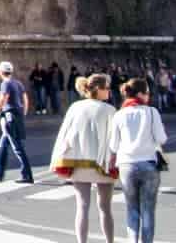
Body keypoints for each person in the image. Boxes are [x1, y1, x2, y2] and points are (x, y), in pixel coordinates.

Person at [49, 73, 116, 243]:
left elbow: (64, 134)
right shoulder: (109, 110)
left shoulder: (75, 107)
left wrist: (60, 157)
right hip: (103, 164)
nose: (109, 91)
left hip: (78, 163)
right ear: (98, 89)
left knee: (82, 206)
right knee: (105, 207)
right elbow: (114, 139)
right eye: (107, 88)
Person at [108, 77, 167, 243]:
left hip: (126, 165)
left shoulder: (119, 115)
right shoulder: (151, 112)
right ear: (140, 94)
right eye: (147, 93)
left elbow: (113, 145)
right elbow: (161, 139)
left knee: (132, 209)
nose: (149, 96)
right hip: (148, 163)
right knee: (148, 210)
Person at [0, 61, 34, 184]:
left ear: (1, 72)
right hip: (17, 116)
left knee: (17, 147)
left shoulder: (5, 84)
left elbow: (2, 100)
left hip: (9, 117)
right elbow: (25, 99)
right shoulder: (18, 83)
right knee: (3, 145)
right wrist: (24, 113)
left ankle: (27, 174)